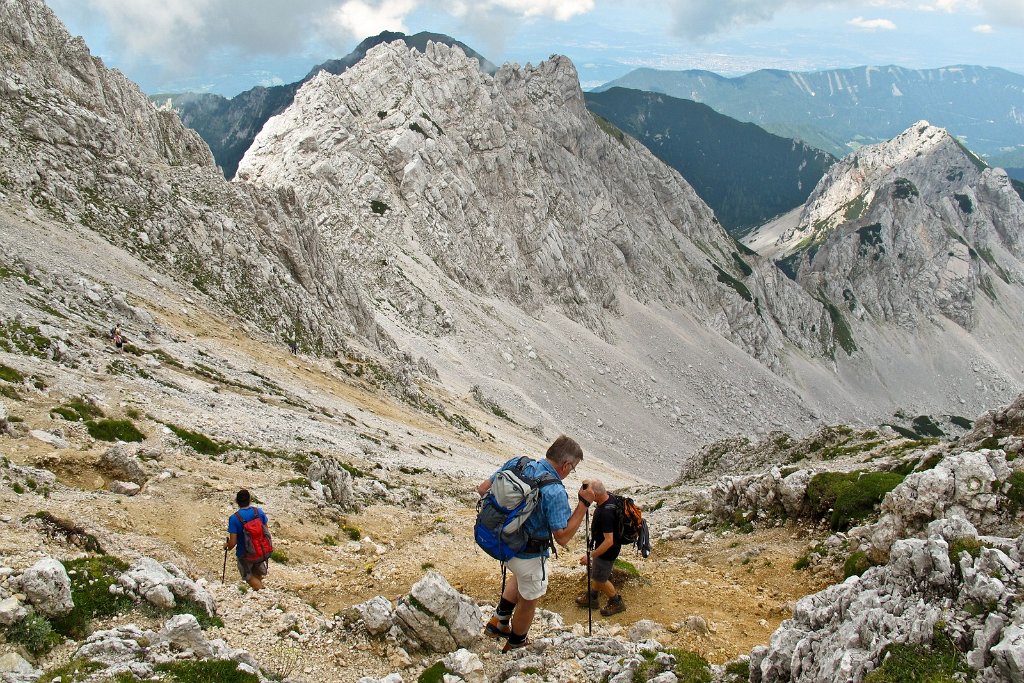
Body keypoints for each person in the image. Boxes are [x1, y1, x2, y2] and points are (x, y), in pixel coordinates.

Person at [479, 435, 593, 651]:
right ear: (566, 465)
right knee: (529, 599)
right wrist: (584, 505)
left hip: (501, 542)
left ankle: (498, 623)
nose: (572, 472)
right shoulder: (555, 490)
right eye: (573, 467)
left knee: (519, 576)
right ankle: (516, 642)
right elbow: (562, 537)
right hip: (528, 554)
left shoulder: (518, 463)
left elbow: (483, 489)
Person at [576, 479, 626, 616]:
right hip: (607, 548)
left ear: (595, 495)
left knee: (600, 578)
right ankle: (592, 597)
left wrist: (591, 555)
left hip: (607, 550)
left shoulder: (606, 513)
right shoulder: (609, 497)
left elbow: (608, 541)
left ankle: (616, 601)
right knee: (597, 573)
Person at [224, 489, 269, 590]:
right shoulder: (259, 512)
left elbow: (233, 542)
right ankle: (259, 594)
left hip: (245, 554)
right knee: (257, 573)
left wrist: (227, 546)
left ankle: (262, 592)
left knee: (248, 576)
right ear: (250, 499)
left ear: (237, 501)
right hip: (260, 550)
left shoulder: (234, 518)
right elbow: (266, 531)